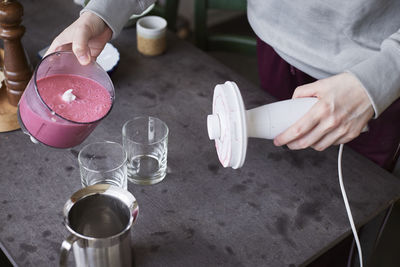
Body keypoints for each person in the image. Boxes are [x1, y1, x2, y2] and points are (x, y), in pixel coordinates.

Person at [47, 0, 400, 172]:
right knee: (286, 176)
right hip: (273, 46)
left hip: (368, 79)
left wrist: (380, 79)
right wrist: (105, 11)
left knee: (358, 202)